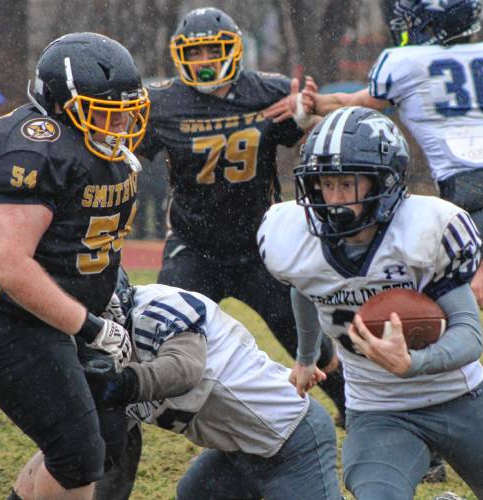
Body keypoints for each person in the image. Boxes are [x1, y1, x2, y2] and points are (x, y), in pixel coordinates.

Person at [265, 0, 483, 484]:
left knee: (405, 294)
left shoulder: (403, 62)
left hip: (463, 195)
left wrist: (311, 107)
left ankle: (433, 447)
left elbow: (362, 109)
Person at [259, 106, 483, 500]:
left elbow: (468, 334)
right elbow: (305, 287)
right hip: (378, 410)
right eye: (326, 184)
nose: (334, 199)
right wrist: (307, 358)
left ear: (384, 181)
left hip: (458, 400)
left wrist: (414, 363)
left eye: (347, 184)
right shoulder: (294, 238)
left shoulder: (424, 231)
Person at [0, 32, 149, 499]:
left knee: (107, 435)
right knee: (75, 455)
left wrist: (103, 297)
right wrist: (89, 327)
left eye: (127, 108)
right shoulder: (31, 146)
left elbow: (85, 241)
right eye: (105, 111)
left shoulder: (99, 147)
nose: (122, 121)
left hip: (47, 311)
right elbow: (9, 265)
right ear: (61, 105)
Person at [137, 6, 346, 420]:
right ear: (180, 56)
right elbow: (128, 155)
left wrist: (307, 115)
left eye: (212, 50)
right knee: (158, 336)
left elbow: (305, 134)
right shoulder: (162, 102)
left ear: (233, 49)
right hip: (194, 247)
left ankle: (353, 407)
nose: (204, 61)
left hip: (260, 248)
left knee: (311, 345)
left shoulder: (266, 91)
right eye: (194, 53)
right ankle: (122, 426)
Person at [15, 271, 339, 500]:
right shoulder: (105, 360)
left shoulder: (159, 307)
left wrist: (121, 384)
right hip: (236, 450)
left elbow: (185, 369)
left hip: (293, 439)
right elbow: (101, 445)